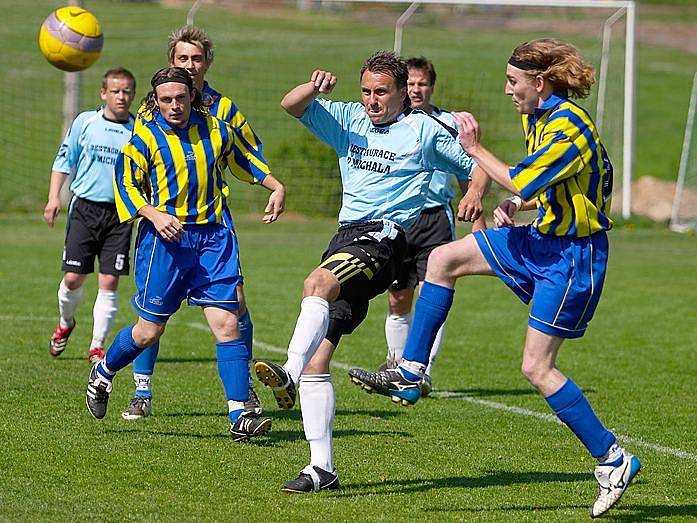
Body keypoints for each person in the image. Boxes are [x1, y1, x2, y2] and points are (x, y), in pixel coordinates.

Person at [348, 39, 641, 517]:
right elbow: (538, 183)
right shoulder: (537, 116)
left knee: (536, 368)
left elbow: (529, 177)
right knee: (443, 259)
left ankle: (613, 459)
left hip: (572, 256)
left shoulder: (570, 126)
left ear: (539, 83)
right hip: (540, 238)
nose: (507, 91)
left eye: (513, 82)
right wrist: (515, 203)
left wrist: (474, 149)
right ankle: (411, 370)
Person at [253, 51, 486, 492]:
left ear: (403, 93)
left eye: (381, 92)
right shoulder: (348, 120)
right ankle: (321, 469)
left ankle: (287, 370)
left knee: (316, 283)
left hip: (385, 238)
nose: (372, 100)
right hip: (345, 237)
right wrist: (312, 86)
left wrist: (474, 193)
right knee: (321, 359)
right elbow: (291, 104)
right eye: (366, 91)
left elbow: (477, 168)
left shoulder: (423, 132)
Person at [85, 67, 286, 444]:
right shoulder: (144, 138)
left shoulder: (216, 129)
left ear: (192, 96)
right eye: (166, 100)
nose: (174, 106)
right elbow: (124, 183)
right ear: (155, 102)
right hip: (165, 242)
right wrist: (155, 214)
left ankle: (239, 414)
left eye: (181, 98)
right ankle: (104, 371)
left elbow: (244, 160)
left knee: (227, 324)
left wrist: (275, 185)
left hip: (213, 239)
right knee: (149, 331)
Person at [123, 25, 266, 421]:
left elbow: (248, 152)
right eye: (182, 59)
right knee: (152, 318)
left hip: (213, 223)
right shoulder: (154, 110)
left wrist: (269, 182)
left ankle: (242, 392)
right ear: (172, 62)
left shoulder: (224, 110)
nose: (190, 65)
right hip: (164, 226)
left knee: (234, 305)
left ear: (207, 63)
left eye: (196, 58)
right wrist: (151, 212)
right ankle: (141, 389)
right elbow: (138, 164)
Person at [377, 56, 489, 395]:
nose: (415, 89)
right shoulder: (392, 123)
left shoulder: (448, 124)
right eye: (409, 84)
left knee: (432, 292)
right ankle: (396, 363)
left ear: (431, 86)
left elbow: (470, 172)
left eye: (421, 83)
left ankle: (422, 369)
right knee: (398, 298)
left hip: (436, 218)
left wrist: (478, 221)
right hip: (400, 220)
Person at [45, 68, 137, 363]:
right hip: (85, 209)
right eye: (115, 91)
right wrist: (53, 199)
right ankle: (65, 323)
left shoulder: (138, 130)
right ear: (103, 93)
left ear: (132, 95)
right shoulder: (86, 122)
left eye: (126, 91)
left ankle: (97, 346)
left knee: (109, 281)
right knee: (73, 278)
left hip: (120, 215)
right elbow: (63, 160)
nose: (121, 96)